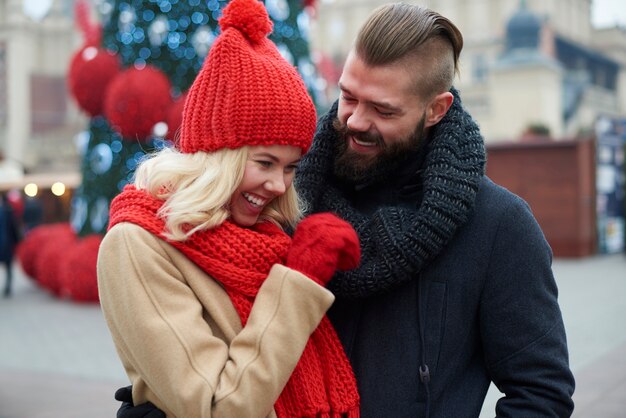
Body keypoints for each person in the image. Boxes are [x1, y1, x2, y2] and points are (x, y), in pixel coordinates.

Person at [118, 2, 576, 417]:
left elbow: (541, 392)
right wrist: (161, 402)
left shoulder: (497, 225)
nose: (355, 120)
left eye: (382, 109)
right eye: (349, 96)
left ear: (435, 110)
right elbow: (215, 340)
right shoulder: (283, 201)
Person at [96, 0, 361, 416]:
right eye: (264, 162)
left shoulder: (261, 236)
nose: (278, 185)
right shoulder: (137, 243)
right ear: (221, 156)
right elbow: (218, 407)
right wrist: (297, 283)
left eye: (291, 166)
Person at [1, 192, 21, 297]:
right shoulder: (9, 212)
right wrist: (18, 241)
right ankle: (7, 287)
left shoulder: (7, 212)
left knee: (8, 267)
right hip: (7, 243)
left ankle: (7, 287)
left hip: (4, 243)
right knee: (8, 268)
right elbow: (14, 228)